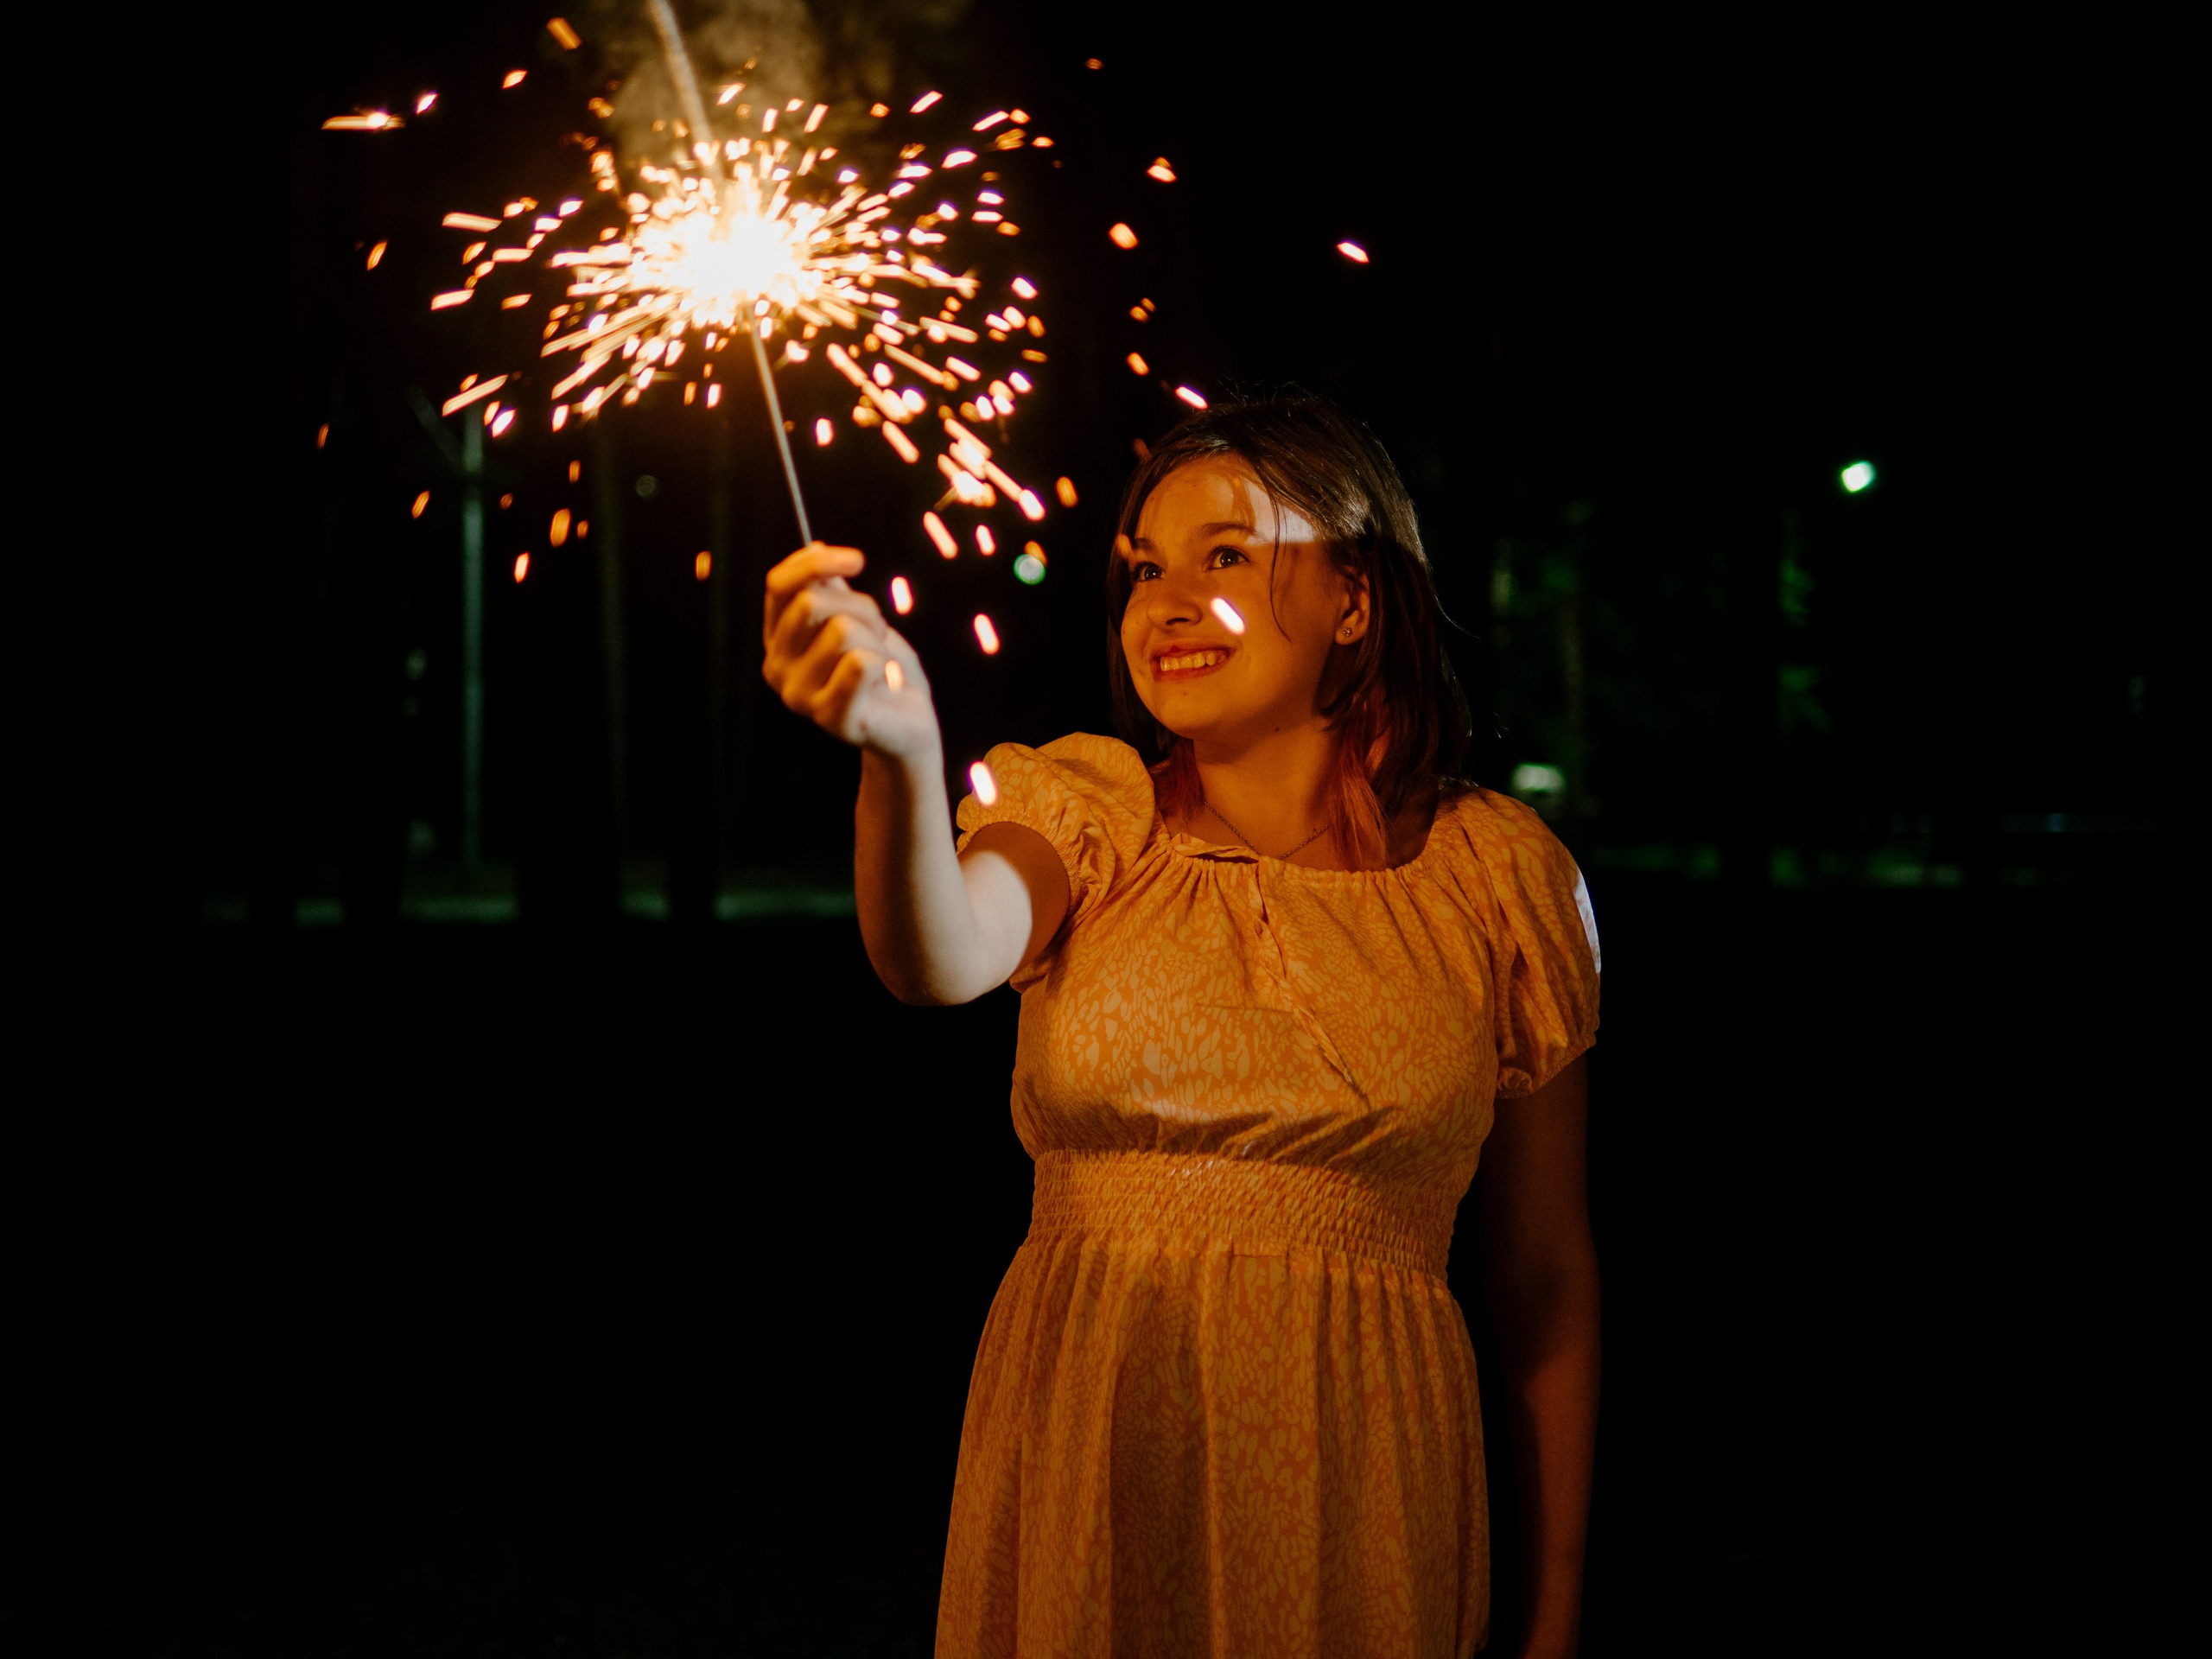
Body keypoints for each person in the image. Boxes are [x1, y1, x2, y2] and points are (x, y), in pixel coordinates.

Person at [761, 392, 1601, 1658]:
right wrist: (903, 754)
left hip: (1364, 1486)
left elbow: (1544, 1283)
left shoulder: (1498, 877)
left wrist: (1551, 1622)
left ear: (1354, 597)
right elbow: (937, 955)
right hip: (1099, 1452)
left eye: (1226, 556)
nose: (1166, 602)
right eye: (1147, 568)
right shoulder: (1089, 814)